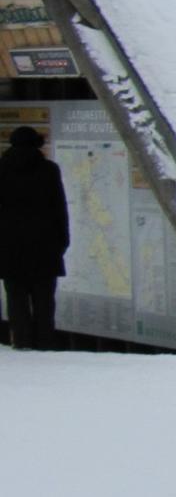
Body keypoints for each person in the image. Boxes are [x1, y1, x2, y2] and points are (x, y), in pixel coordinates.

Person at [0, 125, 70, 350]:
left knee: (16, 300)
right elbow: (59, 210)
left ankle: (21, 342)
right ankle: (45, 343)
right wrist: (61, 244)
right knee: (44, 302)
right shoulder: (49, 170)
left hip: (9, 248)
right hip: (45, 248)